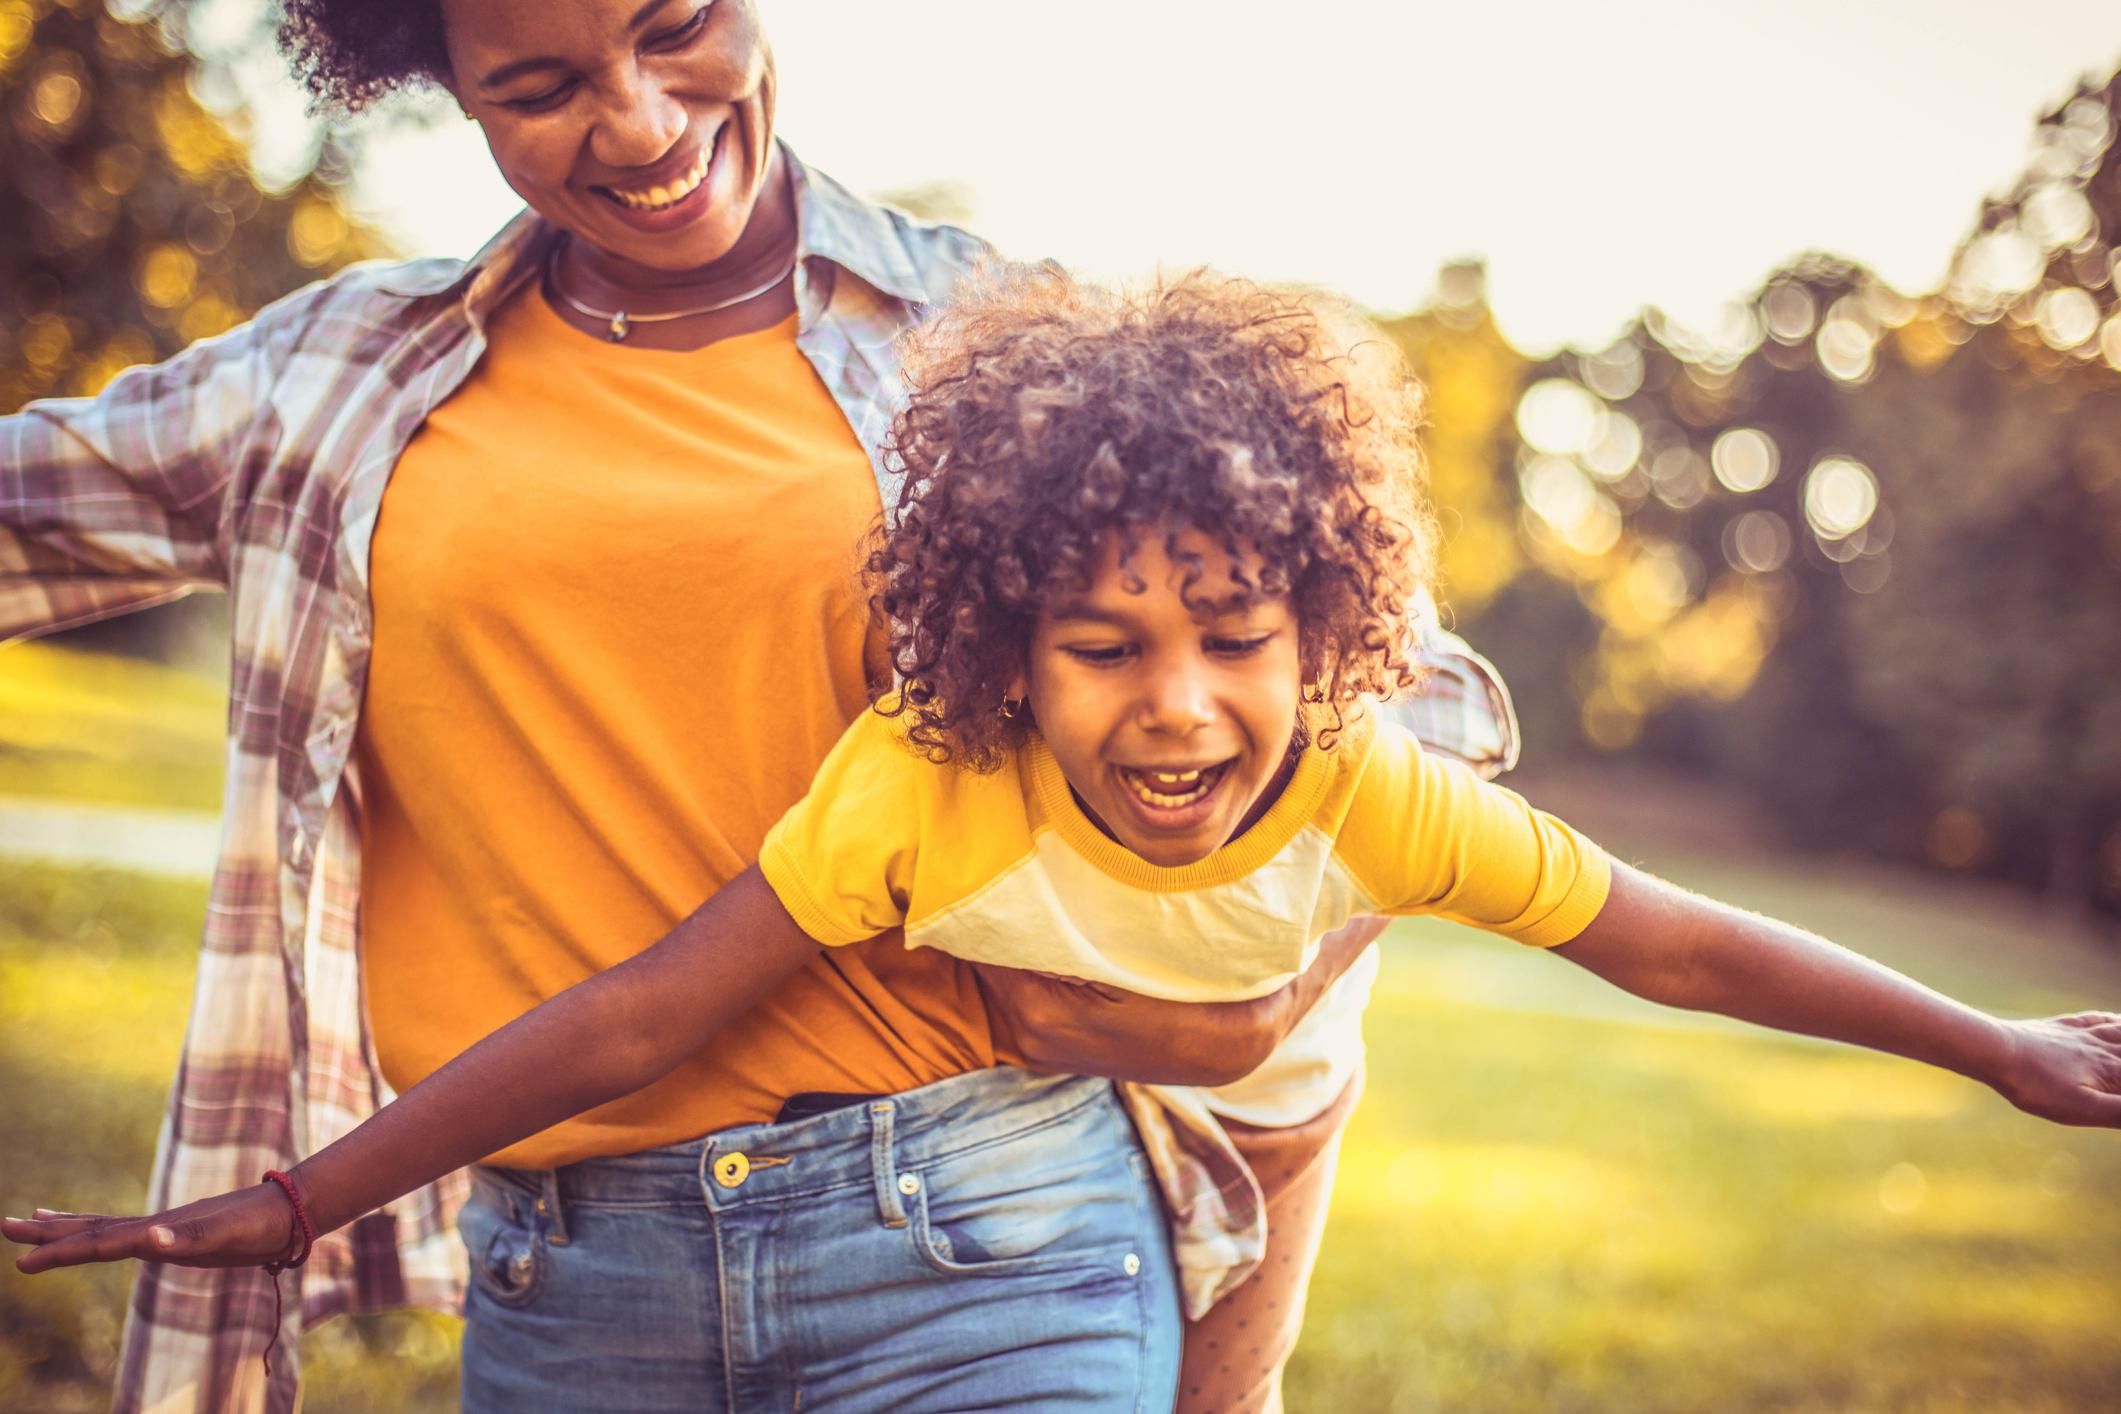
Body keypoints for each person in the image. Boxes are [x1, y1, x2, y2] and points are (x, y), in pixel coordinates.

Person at [14, 271, 2121, 1413]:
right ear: (996, 639)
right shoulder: (914, 785)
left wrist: (1993, 1047)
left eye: (1235, 637)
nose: (1177, 702)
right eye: (1101, 642)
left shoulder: (1367, 783)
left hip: (1234, 1162)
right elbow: (636, 1010)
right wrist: (286, 1194)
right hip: (784, 1209)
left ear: (1329, 632)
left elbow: (1664, 937)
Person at [2, 2, 1522, 1409]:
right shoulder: (330, 379)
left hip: (984, 1240)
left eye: (677, 28)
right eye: (539, 88)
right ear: (440, 85)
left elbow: (1423, 696)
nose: (645, 123)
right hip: (569, 1287)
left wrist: (1268, 969)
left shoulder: (995, 336)